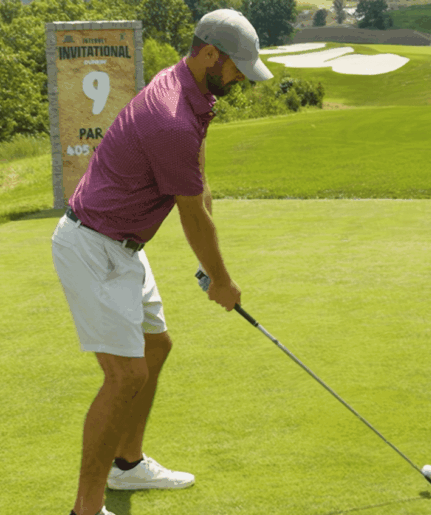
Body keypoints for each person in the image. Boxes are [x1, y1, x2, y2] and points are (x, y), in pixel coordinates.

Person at [50, 10, 274, 515]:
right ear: (210, 54)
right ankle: (86, 509)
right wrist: (221, 280)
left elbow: (194, 180)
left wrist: (212, 264)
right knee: (125, 376)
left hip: (123, 245)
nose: (240, 76)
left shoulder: (193, 92)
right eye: (237, 66)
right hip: (94, 246)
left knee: (156, 346)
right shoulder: (170, 115)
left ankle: (127, 466)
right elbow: (191, 216)